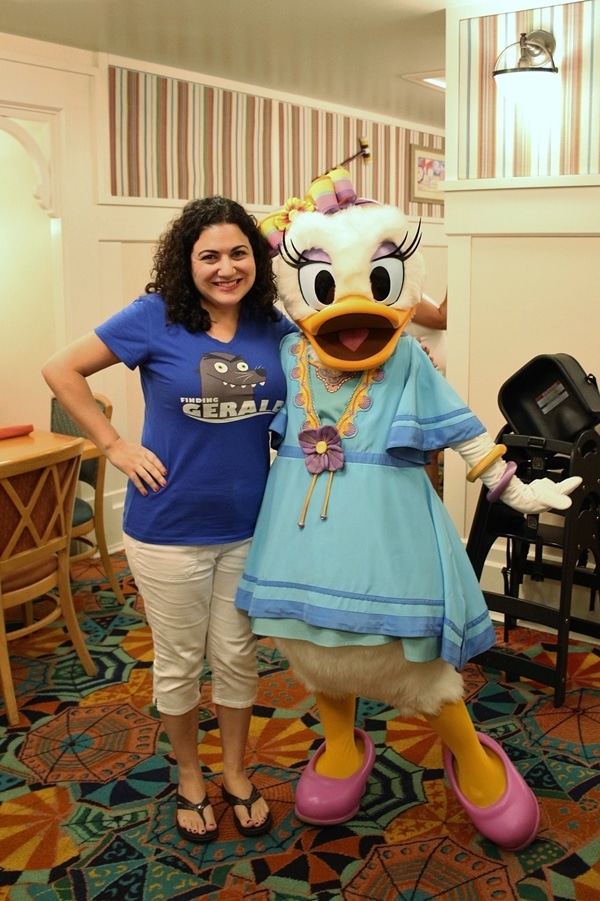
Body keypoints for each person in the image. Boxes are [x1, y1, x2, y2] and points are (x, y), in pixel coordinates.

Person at [42, 196, 297, 843]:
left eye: (238, 252)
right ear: (187, 262)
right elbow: (60, 369)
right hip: (168, 528)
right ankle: (190, 776)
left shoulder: (271, 324)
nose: (225, 266)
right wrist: (114, 443)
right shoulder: (154, 317)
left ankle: (235, 773)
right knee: (181, 660)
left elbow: (325, 375)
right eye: (209, 254)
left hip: (248, 524)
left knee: (238, 656)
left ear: (254, 259)